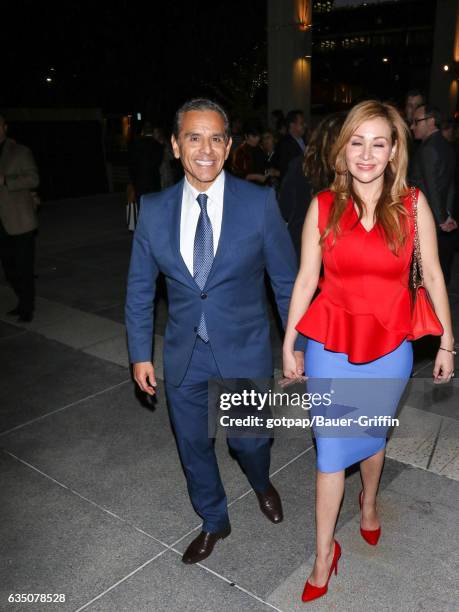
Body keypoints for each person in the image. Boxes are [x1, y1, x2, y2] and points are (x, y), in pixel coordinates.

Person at [282, 100, 455, 602]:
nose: (367, 153)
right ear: (343, 148)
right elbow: (306, 279)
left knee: (372, 434)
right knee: (331, 451)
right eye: (357, 141)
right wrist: (290, 342)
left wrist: (447, 340)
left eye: (379, 142)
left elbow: (436, 275)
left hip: (391, 348)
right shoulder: (323, 205)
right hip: (330, 346)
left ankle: (371, 500)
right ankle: (322, 555)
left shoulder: (413, 204)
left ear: (394, 150)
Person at [125, 98, 305, 565]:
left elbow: (286, 283)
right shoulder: (153, 208)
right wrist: (140, 353)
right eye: (193, 137)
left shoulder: (260, 203)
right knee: (192, 446)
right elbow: (141, 289)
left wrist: (295, 345)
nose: (204, 148)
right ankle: (213, 519)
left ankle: (261, 481)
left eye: (215, 138)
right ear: (175, 144)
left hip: (243, 350)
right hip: (185, 354)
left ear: (227, 147)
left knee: (250, 441)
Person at [279, 113, 346, 259]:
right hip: (334, 248)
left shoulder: (300, 165)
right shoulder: (350, 172)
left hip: (301, 244)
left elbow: (284, 207)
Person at [410, 104, 458, 285]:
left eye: (416, 121)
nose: (412, 126)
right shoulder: (447, 146)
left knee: (419, 273)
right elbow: (450, 186)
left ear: (431, 122)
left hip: (423, 219)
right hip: (435, 218)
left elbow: (432, 187)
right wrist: (447, 214)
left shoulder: (428, 149)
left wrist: (441, 219)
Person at [0, 112, 40, 322]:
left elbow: (33, 179)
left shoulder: (19, 151)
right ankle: (21, 300)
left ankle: (27, 307)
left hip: (20, 220)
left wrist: (6, 180)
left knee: (24, 267)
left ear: (4, 127)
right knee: (9, 269)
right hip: (1, 222)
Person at [127, 121, 164, 202]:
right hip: (154, 181)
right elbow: (159, 163)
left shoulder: (135, 145)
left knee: (141, 204)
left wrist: (133, 180)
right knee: (154, 203)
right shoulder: (158, 145)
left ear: (143, 132)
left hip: (139, 181)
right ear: (152, 132)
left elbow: (131, 165)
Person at [276, 110, 307, 182]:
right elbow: (284, 170)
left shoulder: (304, 140)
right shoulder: (285, 143)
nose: (305, 125)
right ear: (292, 125)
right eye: (301, 123)